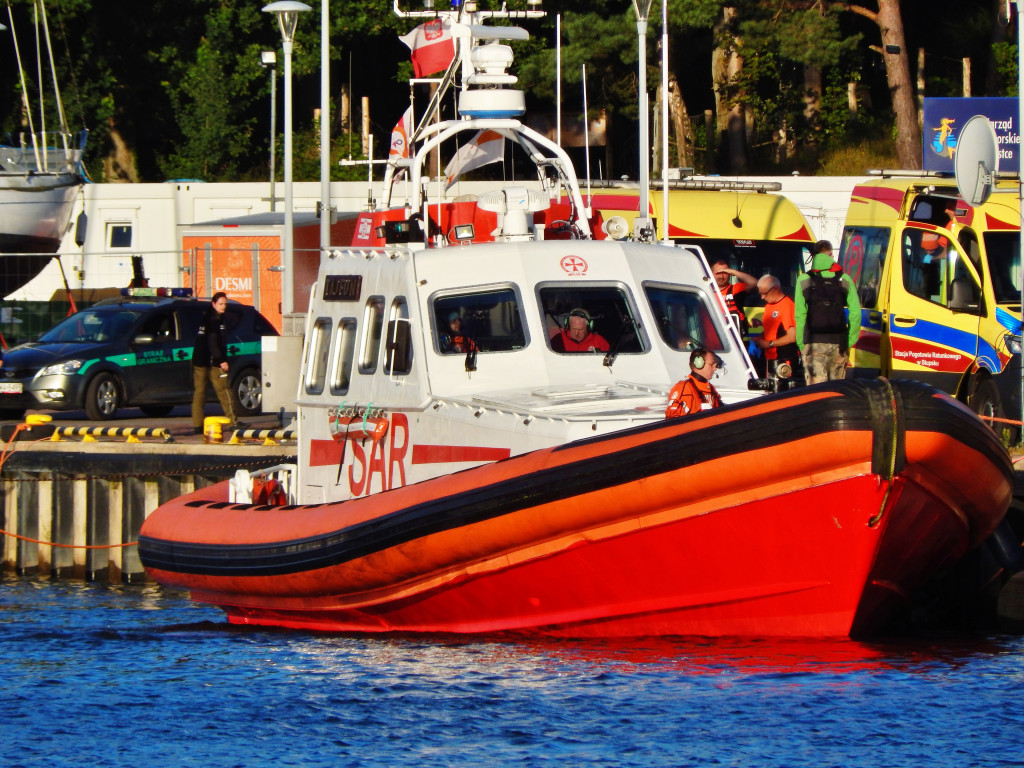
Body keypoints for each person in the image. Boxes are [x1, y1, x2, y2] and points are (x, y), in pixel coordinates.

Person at [795, 240, 861, 384]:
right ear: (831, 254)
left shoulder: (804, 280)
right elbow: (856, 313)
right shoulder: (845, 279)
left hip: (813, 342)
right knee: (836, 390)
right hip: (839, 343)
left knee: (817, 393)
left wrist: (801, 344)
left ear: (813, 256)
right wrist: (849, 341)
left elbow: (800, 315)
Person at [191, 291, 241, 434]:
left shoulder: (206, 318)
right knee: (224, 390)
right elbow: (213, 342)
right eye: (221, 304)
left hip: (199, 360)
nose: (224, 307)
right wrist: (222, 361)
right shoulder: (214, 320)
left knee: (199, 392)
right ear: (213, 304)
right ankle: (233, 422)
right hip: (211, 361)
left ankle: (198, 425)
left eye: (225, 303)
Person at [753, 275, 798, 374]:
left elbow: (792, 337)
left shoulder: (787, 305)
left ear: (776, 289)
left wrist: (769, 344)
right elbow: (769, 329)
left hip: (784, 359)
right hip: (770, 358)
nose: (762, 297)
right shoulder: (769, 305)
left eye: (765, 293)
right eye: (760, 294)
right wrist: (759, 338)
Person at [665, 347, 724, 418]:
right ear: (699, 364)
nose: (714, 368)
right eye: (711, 364)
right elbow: (673, 421)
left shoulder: (711, 389)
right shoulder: (684, 388)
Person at [712, 259, 757, 335]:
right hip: (715, 334)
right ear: (711, 273)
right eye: (718, 273)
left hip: (737, 335)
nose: (721, 276)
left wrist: (734, 272)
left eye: (725, 273)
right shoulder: (705, 291)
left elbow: (754, 283)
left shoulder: (735, 289)